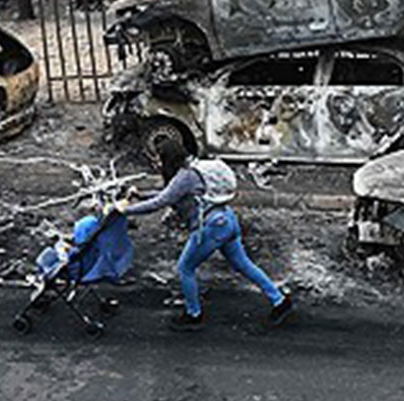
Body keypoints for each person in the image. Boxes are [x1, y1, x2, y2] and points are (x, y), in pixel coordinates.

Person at [119, 138, 294, 331]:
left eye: (159, 158)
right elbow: (168, 194)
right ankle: (279, 300)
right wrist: (140, 195)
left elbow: (160, 202)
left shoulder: (185, 177)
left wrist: (124, 211)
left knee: (185, 268)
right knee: (243, 265)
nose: (157, 163)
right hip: (227, 219)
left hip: (212, 228)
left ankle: (194, 315)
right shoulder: (190, 169)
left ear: (168, 158)